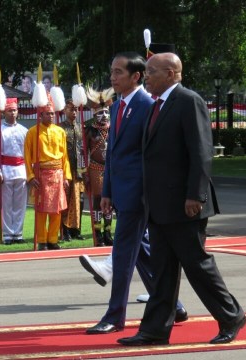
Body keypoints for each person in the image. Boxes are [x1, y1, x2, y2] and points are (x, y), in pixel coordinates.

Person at [118, 52, 246, 346]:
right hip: (159, 204)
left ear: (171, 74)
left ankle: (231, 316)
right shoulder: (157, 105)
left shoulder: (188, 101)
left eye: (151, 71)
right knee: (162, 270)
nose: (146, 76)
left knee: (198, 265)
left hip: (184, 204)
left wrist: (195, 195)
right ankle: (155, 329)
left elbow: (201, 153)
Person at [82, 52, 186, 335]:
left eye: (118, 72)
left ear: (136, 76)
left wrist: (138, 191)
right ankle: (173, 305)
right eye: (112, 71)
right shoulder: (118, 107)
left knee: (123, 253)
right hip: (122, 191)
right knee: (141, 252)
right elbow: (114, 154)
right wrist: (107, 190)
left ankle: (115, 316)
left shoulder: (148, 105)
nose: (112, 77)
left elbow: (150, 155)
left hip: (140, 193)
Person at [24, 98, 71, 250]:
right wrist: (30, 176)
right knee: (41, 209)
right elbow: (26, 156)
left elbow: (65, 156)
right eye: (47, 114)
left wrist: (66, 176)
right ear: (40, 115)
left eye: (52, 114)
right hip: (41, 174)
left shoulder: (60, 132)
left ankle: (53, 239)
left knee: (57, 209)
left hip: (57, 174)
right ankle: (42, 240)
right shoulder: (32, 132)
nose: (51, 116)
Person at [0, 98, 28, 245]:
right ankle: (7, 233)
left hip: (21, 170)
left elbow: (28, 153)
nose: (12, 113)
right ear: (3, 112)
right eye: (9, 110)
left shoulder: (24, 131)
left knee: (20, 204)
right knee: (5, 204)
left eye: (14, 110)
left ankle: (18, 233)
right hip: (5, 171)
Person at [83, 88, 114, 246]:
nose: (104, 116)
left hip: (110, 170)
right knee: (97, 202)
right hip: (95, 169)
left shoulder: (113, 128)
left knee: (110, 202)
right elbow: (83, 152)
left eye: (107, 113)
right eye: (101, 113)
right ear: (94, 114)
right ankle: (98, 234)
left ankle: (108, 232)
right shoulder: (89, 130)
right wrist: (84, 172)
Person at [58, 99, 85, 241]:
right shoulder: (60, 128)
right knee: (66, 200)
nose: (74, 112)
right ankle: (65, 229)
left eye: (75, 109)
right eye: (70, 109)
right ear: (64, 111)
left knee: (79, 200)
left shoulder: (81, 127)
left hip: (79, 169)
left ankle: (76, 229)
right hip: (65, 169)